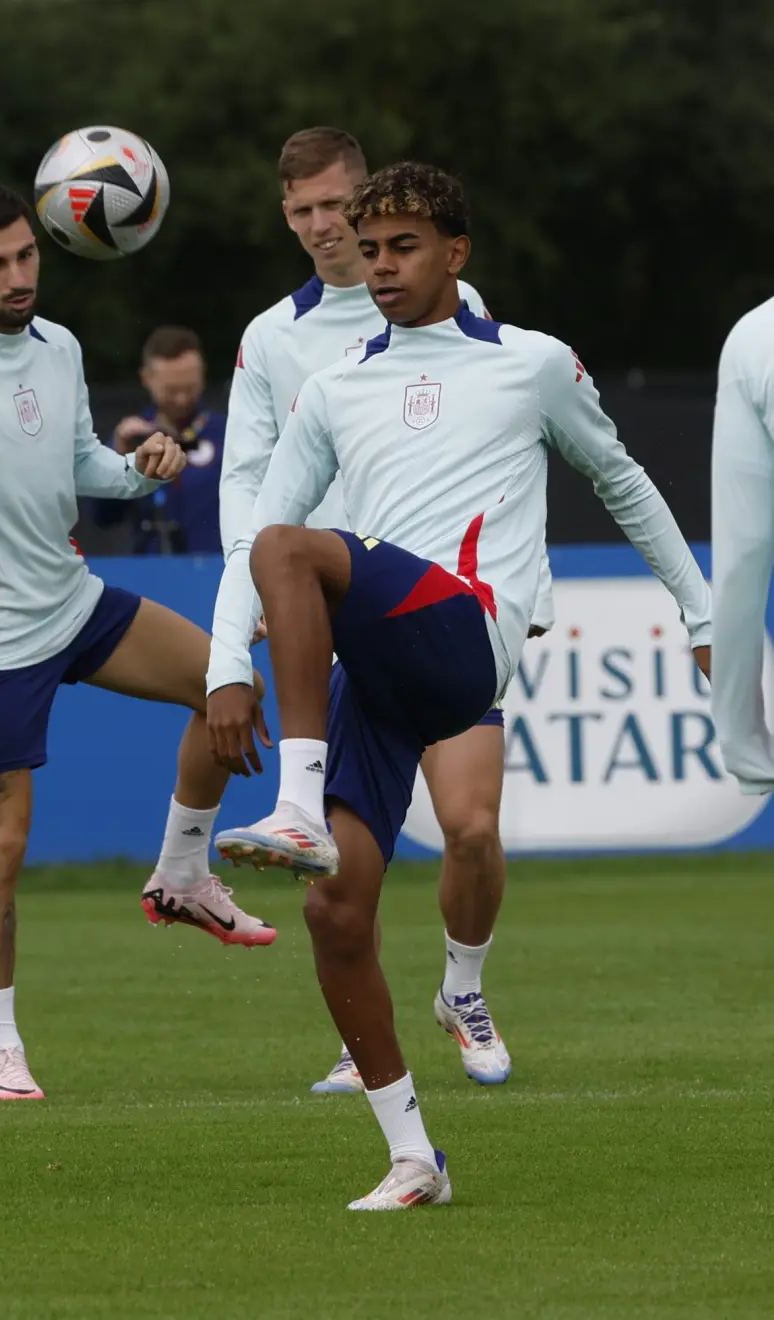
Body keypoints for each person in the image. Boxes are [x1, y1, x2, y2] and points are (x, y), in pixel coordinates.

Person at [206, 162, 711, 1209]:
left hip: (469, 635)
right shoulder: (334, 383)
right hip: (383, 664)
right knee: (336, 917)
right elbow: (255, 543)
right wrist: (224, 670)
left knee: (307, 556)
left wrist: (701, 613)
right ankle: (412, 1157)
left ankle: (301, 809)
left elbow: (621, 478)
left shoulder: (530, 364)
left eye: (404, 247)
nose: (382, 266)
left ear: (456, 255)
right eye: (371, 246)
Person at [0, 183, 274, 1106]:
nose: (17, 276)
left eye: (26, 255)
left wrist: (137, 468)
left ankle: (181, 875)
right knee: (0, 849)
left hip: (77, 603)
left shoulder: (60, 346)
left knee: (225, 680)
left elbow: (80, 460)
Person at [221, 125, 532, 1095]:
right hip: (338, 617)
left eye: (336, 208)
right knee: (348, 873)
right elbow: (250, 485)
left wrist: (526, 587)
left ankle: (463, 992)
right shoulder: (271, 338)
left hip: (448, 605)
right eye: (304, 211)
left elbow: (510, 437)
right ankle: (372, 1051)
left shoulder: (458, 308)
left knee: (472, 828)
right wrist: (252, 607)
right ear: (289, 218)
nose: (325, 228)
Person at [711, 295, 774, 790]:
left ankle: (749, 756)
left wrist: (747, 751)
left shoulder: (753, 332)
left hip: (758, 338)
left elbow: (740, 562)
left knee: (739, 560)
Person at [98, 326, 225, 554]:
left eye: (190, 388)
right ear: (146, 378)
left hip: (217, 573)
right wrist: (119, 459)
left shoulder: (227, 433)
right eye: (171, 390)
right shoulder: (135, 438)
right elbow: (102, 516)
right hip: (152, 577)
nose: (181, 399)